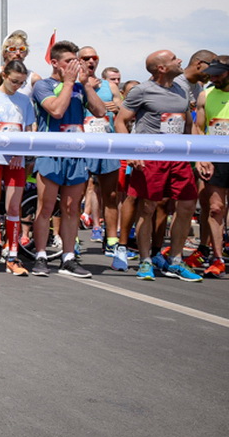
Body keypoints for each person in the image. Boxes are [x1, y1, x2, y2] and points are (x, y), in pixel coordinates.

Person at [116, 50, 203, 282]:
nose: (180, 60)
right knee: (148, 207)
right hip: (151, 158)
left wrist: (196, 154)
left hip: (178, 158)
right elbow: (120, 121)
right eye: (174, 58)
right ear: (162, 68)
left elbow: (188, 124)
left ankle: (175, 260)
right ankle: (145, 261)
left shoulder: (182, 89)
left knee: (186, 206)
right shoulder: (141, 90)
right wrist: (130, 150)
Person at [29, 40, 105, 278]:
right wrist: (69, 83)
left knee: (72, 209)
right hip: (51, 153)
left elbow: (101, 112)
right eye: (68, 61)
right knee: (46, 207)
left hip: (75, 154)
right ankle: (41, 255)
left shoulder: (80, 87)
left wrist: (85, 85)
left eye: (76, 61)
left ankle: (69, 257)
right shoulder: (43, 85)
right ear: (55, 63)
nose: (74, 65)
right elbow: (57, 111)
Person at [0, 60, 35, 275]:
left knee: (13, 206)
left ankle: (12, 255)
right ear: (4, 75)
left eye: (21, 83)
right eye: (13, 81)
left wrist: (22, 154)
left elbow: (29, 129)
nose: (17, 86)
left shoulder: (24, 100)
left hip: (16, 161)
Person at [77, 47, 122, 250]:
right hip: (82, 145)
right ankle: (73, 239)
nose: (90, 61)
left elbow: (122, 110)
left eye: (94, 58)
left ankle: (111, 239)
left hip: (106, 144)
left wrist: (117, 107)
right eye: (85, 58)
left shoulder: (109, 86)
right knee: (76, 194)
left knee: (110, 194)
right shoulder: (74, 85)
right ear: (78, 60)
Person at [194, 59, 229, 277]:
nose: (213, 78)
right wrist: (200, 157)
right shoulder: (205, 95)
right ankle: (217, 259)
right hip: (215, 158)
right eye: (211, 75)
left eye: (218, 75)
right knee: (215, 208)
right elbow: (198, 127)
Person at [0, 29, 42, 94]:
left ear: (27, 53)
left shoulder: (34, 79)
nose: (18, 53)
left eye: (22, 49)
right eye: (12, 49)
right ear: (4, 53)